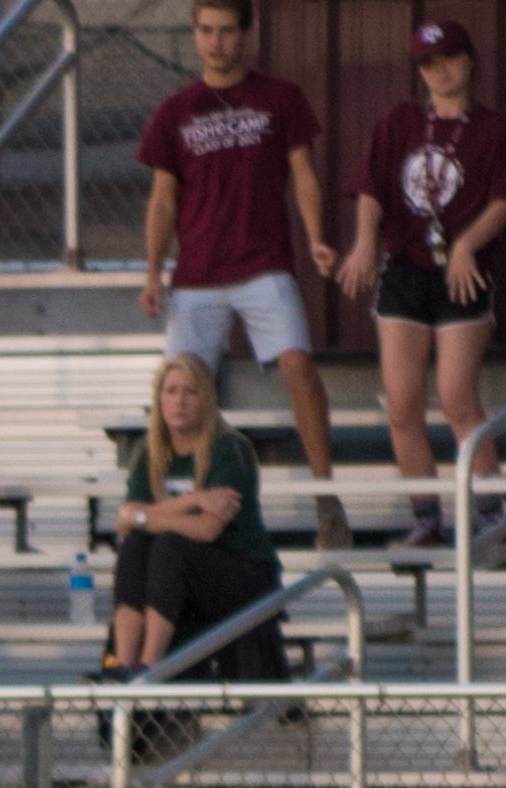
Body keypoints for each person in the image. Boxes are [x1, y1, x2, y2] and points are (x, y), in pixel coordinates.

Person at [136, 0, 347, 550]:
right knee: (178, 388)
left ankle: (327, 499)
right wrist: (154, 272)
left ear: (246, 35)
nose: (216, 42)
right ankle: (171, 503)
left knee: (298, 365)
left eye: (227, 31)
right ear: (194, 34)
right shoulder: (174, 110)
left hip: (263, 263)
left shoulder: (280, 98)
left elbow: (304, 173)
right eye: (205, 31)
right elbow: (162, 199)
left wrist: (317, 237)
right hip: (197, 274)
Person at [334, 20, 506, 549]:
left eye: (449, 58)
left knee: (457, 396)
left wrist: (466, 244)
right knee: (402, 400)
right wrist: (365, 242)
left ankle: (491, 511)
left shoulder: (493, 128)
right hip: (405, 267)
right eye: (429, 63)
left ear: (470, 61)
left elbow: (505, 199)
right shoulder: (400, 121)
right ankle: (426, 515)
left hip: (461, 271)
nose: (441, 71)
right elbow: (371, 186)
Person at [109, 355, 287, 682]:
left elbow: (206, 529)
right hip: (183, 576)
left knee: (168, 546)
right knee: (135, 547)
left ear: (206, 399)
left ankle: (149, 669)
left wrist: (144, 516)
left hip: (242, 571)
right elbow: (127, 522)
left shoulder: (230, 450)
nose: (179, 401)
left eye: (190, 392)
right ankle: (124, 665)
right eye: (171, 391)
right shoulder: (148, 451)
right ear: (159, 399)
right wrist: (192, 500)